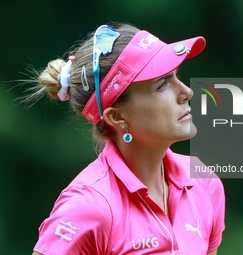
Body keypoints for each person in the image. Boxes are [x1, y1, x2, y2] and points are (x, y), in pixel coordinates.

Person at [30, 23, 225, 255]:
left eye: (175, 77)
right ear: (117, 117)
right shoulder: (88, 208)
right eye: (162, 84)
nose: (186, 92)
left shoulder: (203, 182)